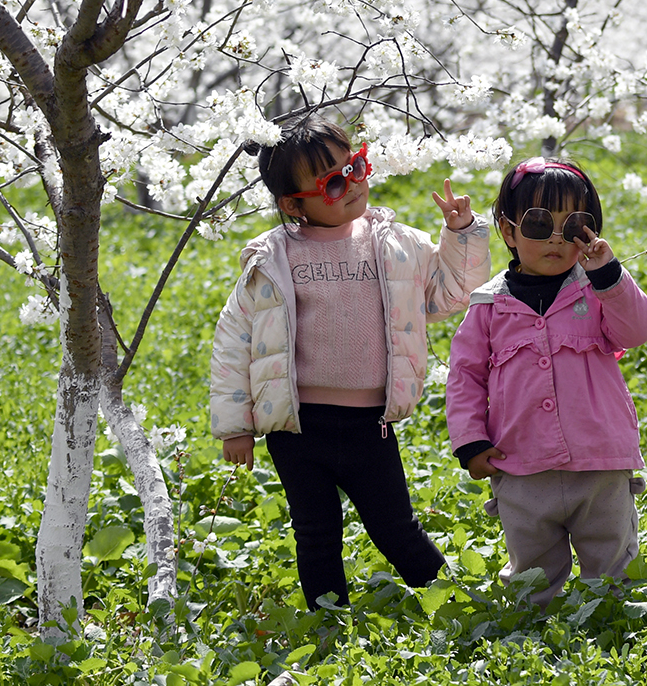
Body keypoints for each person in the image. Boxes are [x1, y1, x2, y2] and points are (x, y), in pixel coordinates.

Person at [208, 115, 492, 609]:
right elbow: (235, 338)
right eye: (334, 182)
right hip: (297, 428)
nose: (354, 183)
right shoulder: (272, 257)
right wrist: (236, 425)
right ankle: (326, 618)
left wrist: (461, 234)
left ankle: (451, 603)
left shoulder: (395, 243)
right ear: (293, 203)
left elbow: (451, 296)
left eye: (355, 166)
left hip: (368, 423)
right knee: (315, 532)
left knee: (395, 524)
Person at [445, 157, 647, 604]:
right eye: (540, 225)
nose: (558, 239)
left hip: (599, 457)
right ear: (508, 232)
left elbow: (638, 330)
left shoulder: (596, 290)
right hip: (521, 461)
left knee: (614, 562)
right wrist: (470, 441)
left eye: (575, 226)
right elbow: (465, 376)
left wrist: (609, 274)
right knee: (532, 570)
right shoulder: (487, 306)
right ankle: (536, 635)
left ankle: (614, 625)